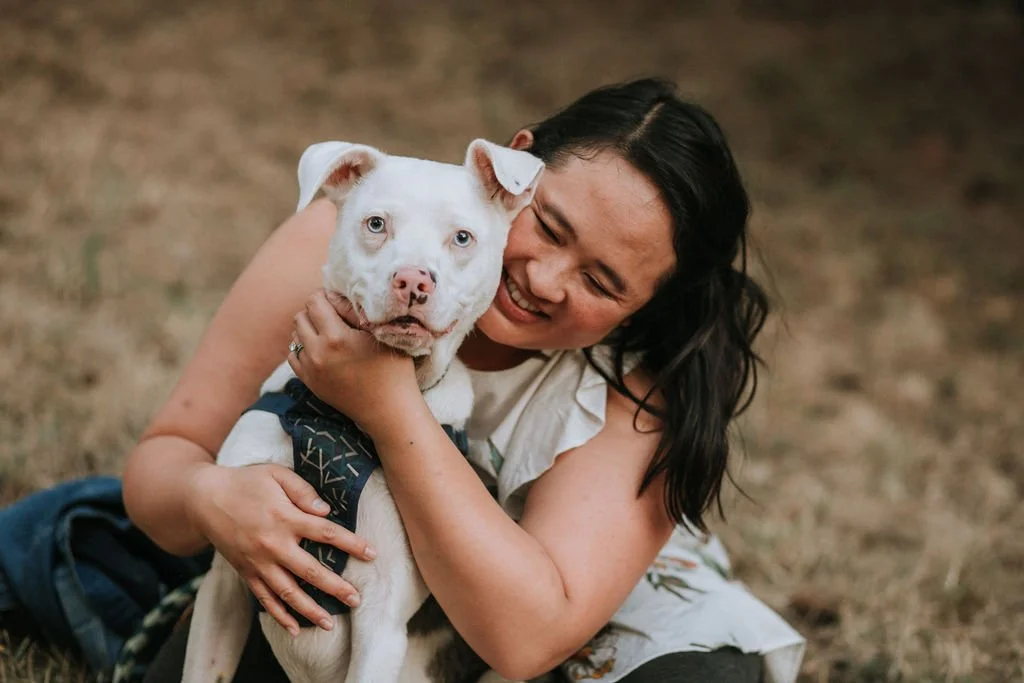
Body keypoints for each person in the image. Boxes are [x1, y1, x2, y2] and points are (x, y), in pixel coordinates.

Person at [120, 78, 805, 682]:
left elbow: (524, 636)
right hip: (382, 606)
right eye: (550, 225)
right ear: (512, 176)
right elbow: (165, 462)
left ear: (644, 306)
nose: (543, 279)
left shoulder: (638, 396)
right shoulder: (351, 247)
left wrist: (387, 403)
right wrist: (208, 493)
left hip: (572, 625)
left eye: (600, 281)